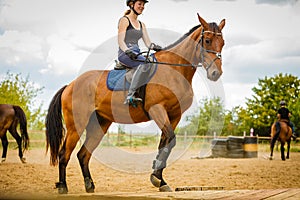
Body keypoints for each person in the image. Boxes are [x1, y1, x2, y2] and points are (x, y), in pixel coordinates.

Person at [118, 0, 162, 105]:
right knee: (145, 63)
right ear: (131, 4)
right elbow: (120, 41)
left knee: (153, 61)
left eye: (143, 5)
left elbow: (148, 43)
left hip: (136, 54)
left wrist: (156, 47)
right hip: (125, 53)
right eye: (140, 4)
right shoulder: (124, 20)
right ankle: (130, 95)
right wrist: (127, 51)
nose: (142, 6)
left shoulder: (142, 24)